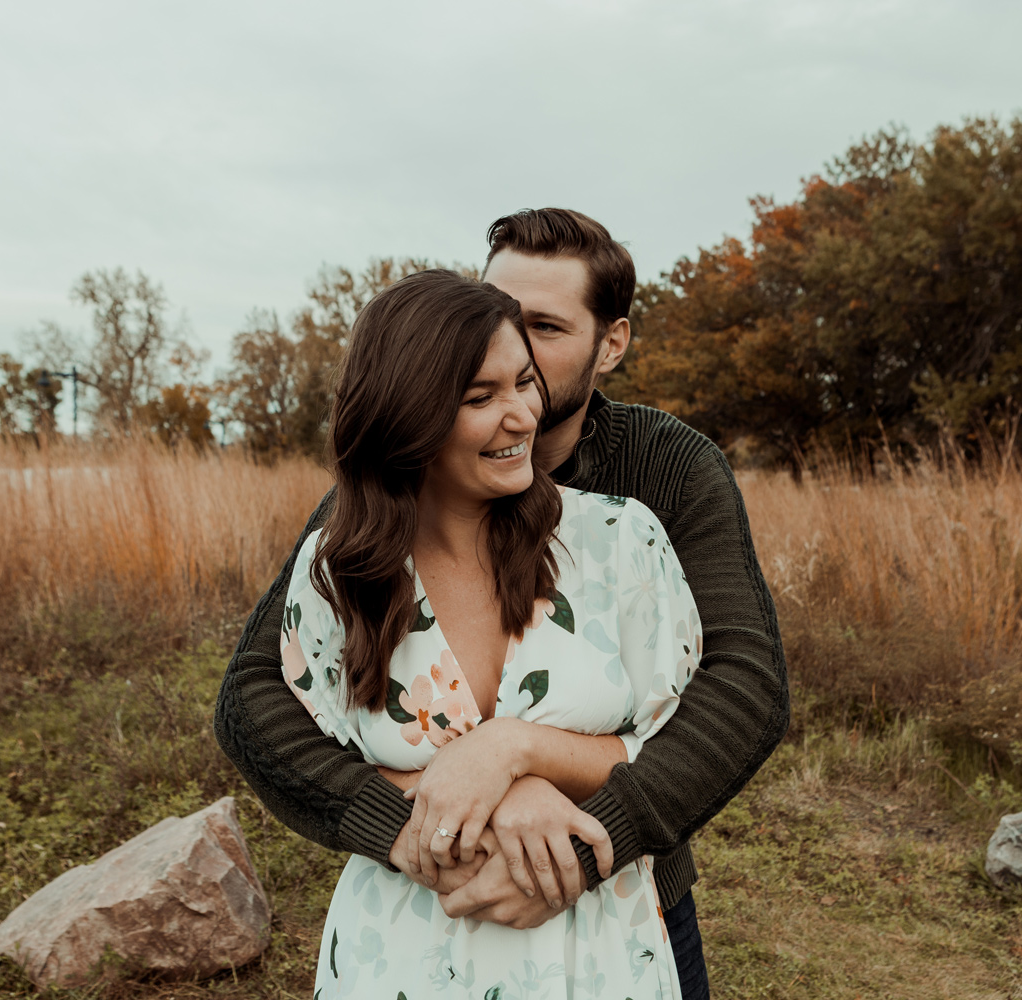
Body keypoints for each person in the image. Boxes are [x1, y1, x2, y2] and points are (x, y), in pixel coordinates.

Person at [215, 209, 790, 999]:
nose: (511, 348)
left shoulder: (654, 491)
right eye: (498, 321)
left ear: (611, 344)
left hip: (613, 906)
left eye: (543, 331)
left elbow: (740, 688)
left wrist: (542, 787)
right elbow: (259, 695)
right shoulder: (363, 530)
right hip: (413, 935)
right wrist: (434, 811)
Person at [281, 267, 697, 996]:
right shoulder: (338, 569)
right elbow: (311, 755)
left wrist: (520, 757)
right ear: (406, 415)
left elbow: (679, 749)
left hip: (592, 955)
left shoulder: (618, 542)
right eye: (481, 398)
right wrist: (496, 796)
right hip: (400, 954)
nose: (523, 416)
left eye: (524, 383)